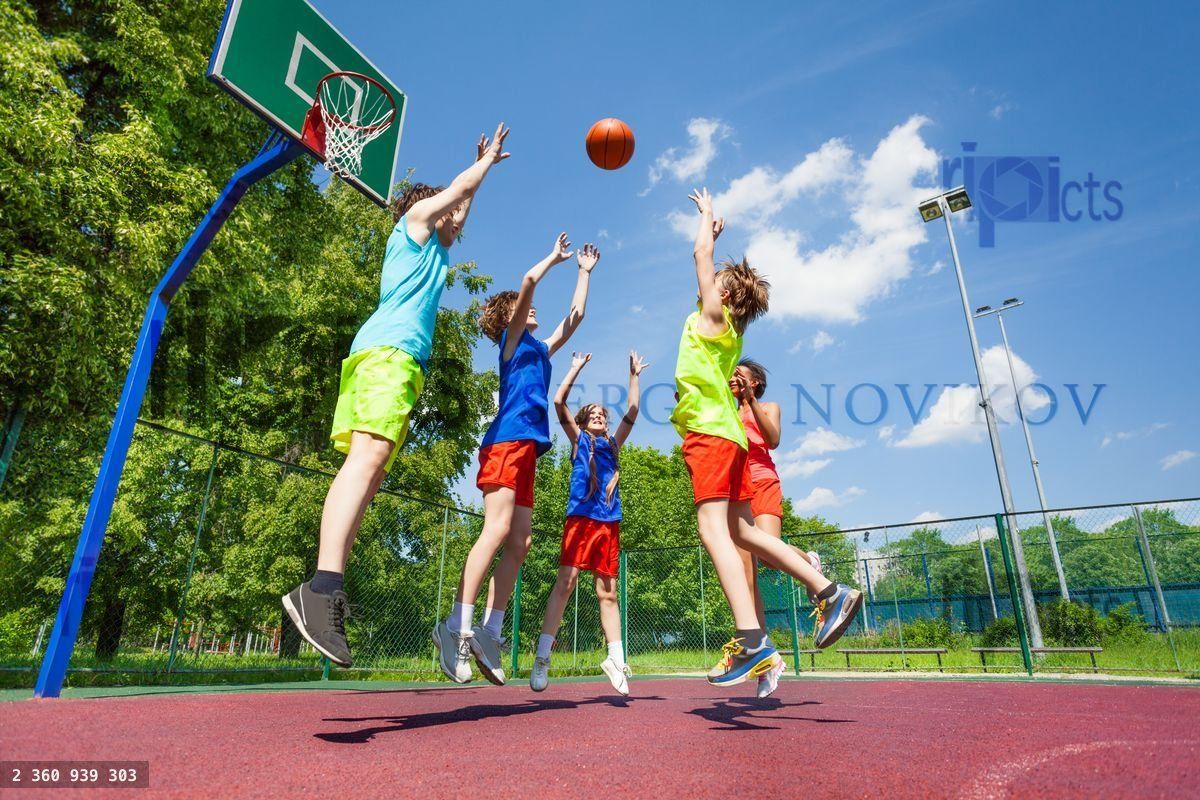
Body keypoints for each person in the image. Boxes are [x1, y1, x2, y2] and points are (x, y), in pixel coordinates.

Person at [283, 125, 511, 667]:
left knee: (373, 469)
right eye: (450, 211)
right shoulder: (412, 227)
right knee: (366, 461)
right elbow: (452, 197)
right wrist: (482, 166)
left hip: (399, 362)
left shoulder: (435, 251)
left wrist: (474, 183)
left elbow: (459, 206)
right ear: (428, 210)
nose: (459, 219)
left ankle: (325, 586)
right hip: (387, 354)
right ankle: (321, 587)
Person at [672, 187, 862, 689]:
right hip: (730, 437)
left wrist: (707, 222)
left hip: (710, 433)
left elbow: (698, 255)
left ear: (725, 296)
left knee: (714, 531)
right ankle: (827, 590)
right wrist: (714, 242)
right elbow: (706, 264)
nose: (706, 281)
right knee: (741, 532)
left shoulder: (713, 321)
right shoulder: (729, 332)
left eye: (715, 282)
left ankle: (752, 640)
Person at [434, 236, 600, 684]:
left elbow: (575, 318)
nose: (533, 310)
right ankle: (455, 626)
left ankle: (491, 629)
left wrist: (583, 272)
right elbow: (528, 280)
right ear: (509, 316)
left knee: (520, 542)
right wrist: (555, 257)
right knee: (497, 529)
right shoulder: (511, 344)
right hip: (505, 442)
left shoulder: (541, 351)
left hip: (528, 449)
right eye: (524, 308)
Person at [530, 350, 647, 696]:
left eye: (603, 415)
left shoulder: (612, 445)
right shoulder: (580, 440)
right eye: (593, 414)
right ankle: (542, 658)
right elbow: (558, 400)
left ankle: (615, 659)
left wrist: (634, 376)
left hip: (608, 522)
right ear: (583, 423)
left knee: (607, 593)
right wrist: (576, 367)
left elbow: (634, 411)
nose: (600, 417)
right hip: (581, 519)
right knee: (565, 584)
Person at [729, 359, 825, 698]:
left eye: (740, 376)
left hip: (763, 481)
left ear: (755, 383)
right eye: (732, 375)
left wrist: (749, 403)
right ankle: (765, 658)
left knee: (768, 550)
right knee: (747, 578)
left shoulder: (768, 406)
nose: (734, 379)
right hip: (735, 491)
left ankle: (808, 562)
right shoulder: (726, 410)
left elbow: (773, 439)